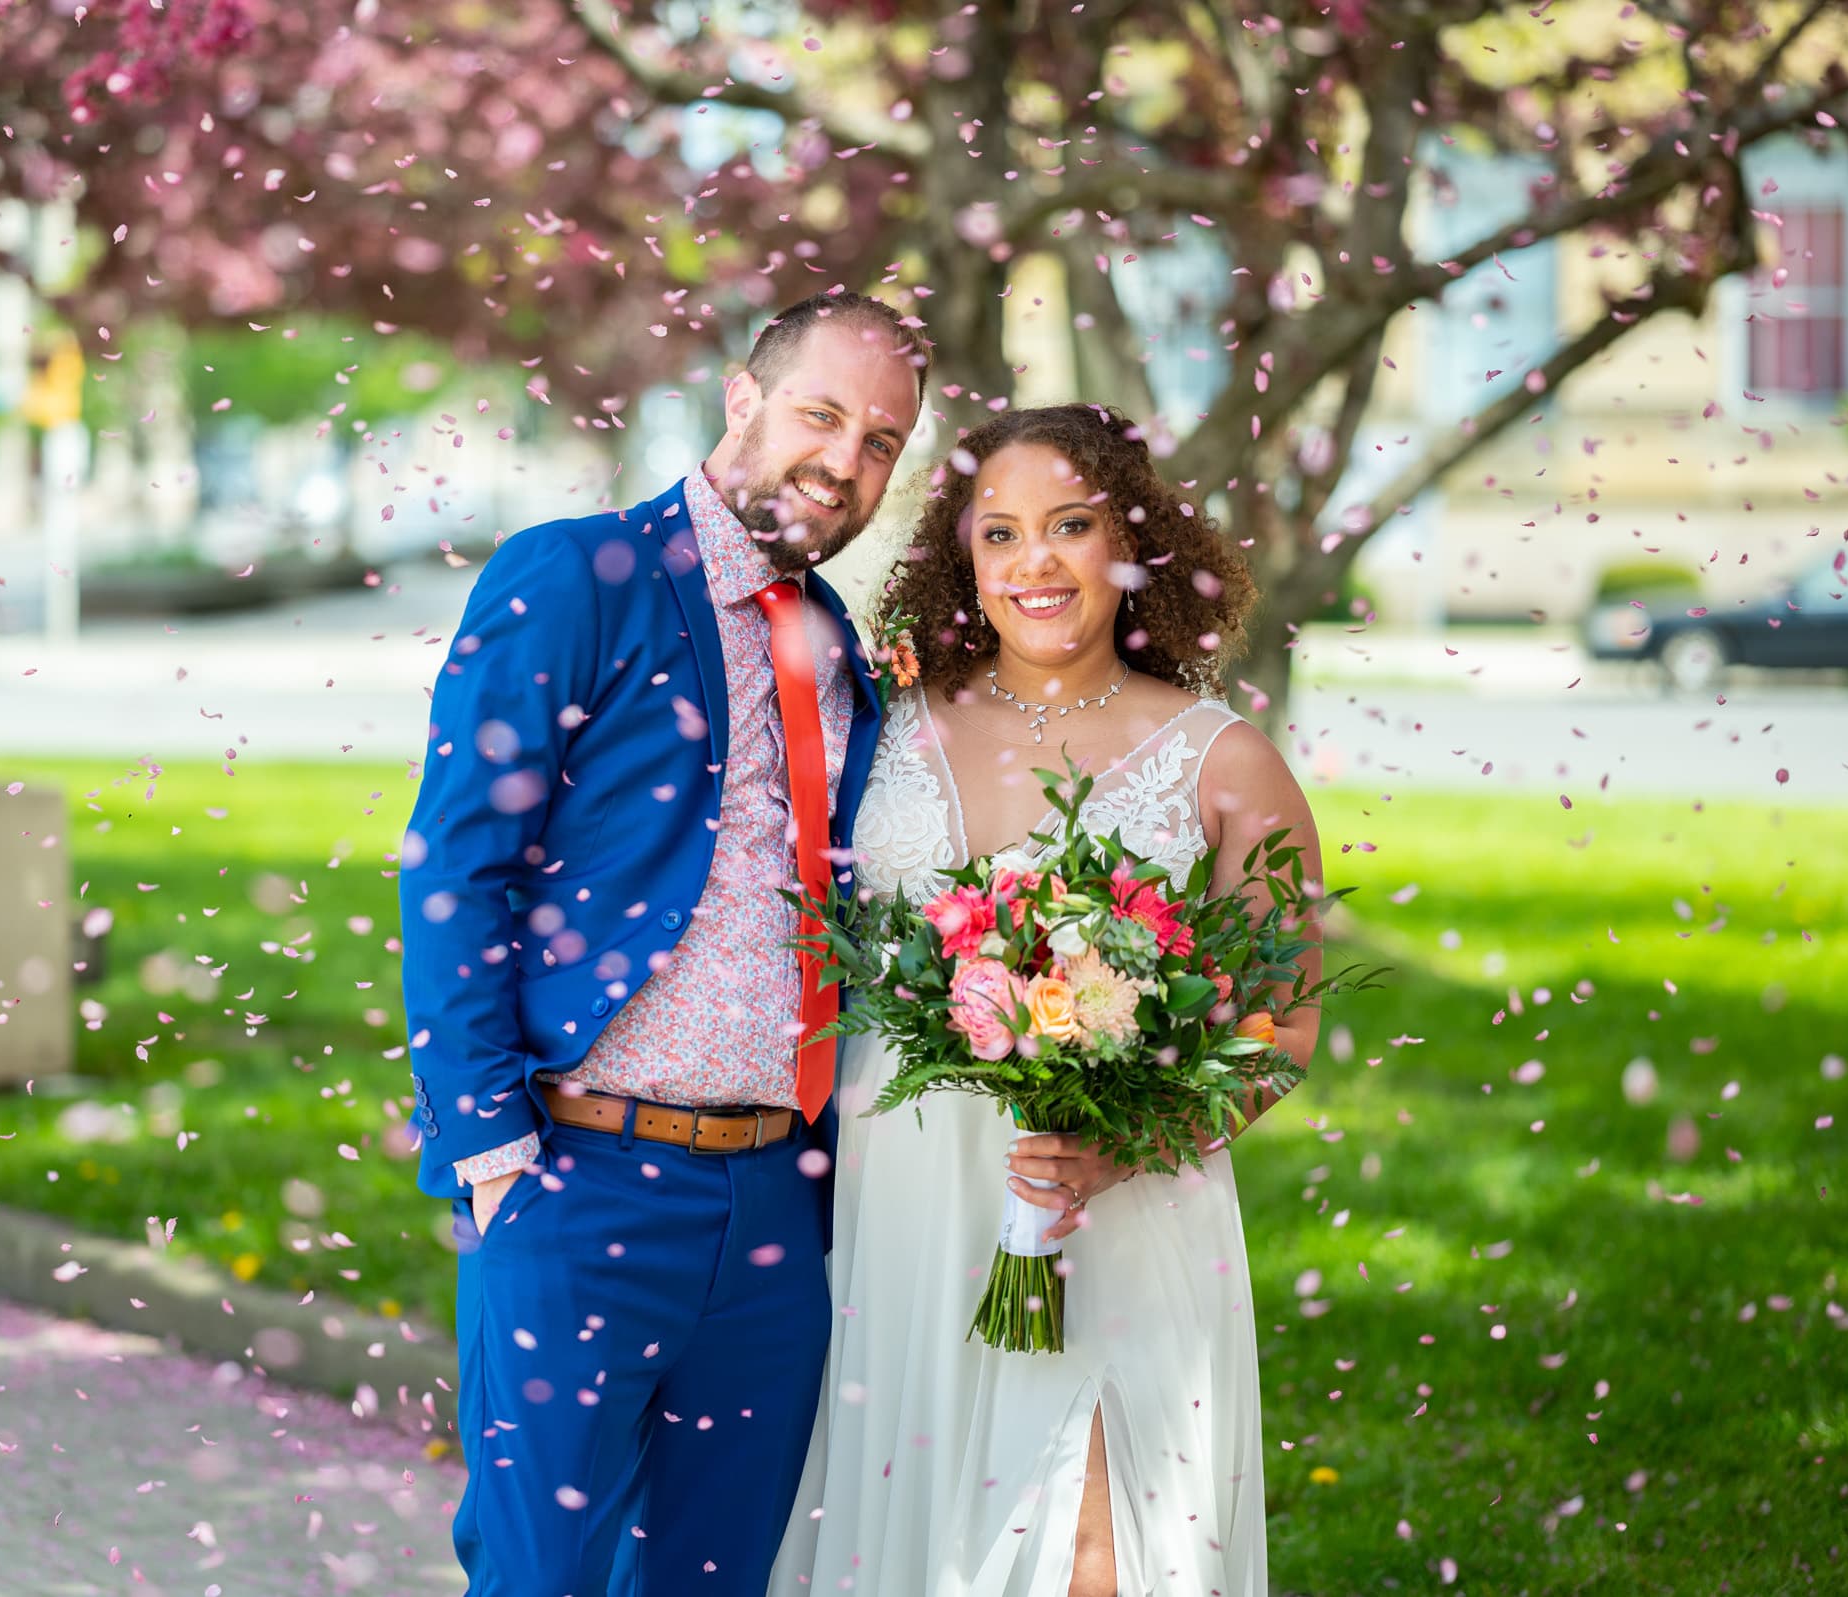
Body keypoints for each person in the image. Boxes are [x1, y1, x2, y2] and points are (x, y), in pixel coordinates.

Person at [399, 290, 929, 1595]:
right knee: (543, 1576)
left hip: (768, 1202)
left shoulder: (838, 647)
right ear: (740, 399)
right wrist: (491, 1154)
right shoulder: (580, 576)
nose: (845, 461)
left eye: (880, 442)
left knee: (717, 1579)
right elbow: (457, 869)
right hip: (579, 1179)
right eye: (821, 414)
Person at [769, 404, 1323, 1597]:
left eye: (1071, 525)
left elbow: (1285, 1026)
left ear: (1132, 543)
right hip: (905, 1209)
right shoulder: (881, 730)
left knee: (1094, 1550)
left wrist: (1124, 1145)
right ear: (960, 559)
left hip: (1117, 1217)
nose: (1036, 563)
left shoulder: (1225, 762)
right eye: (1001, 533)